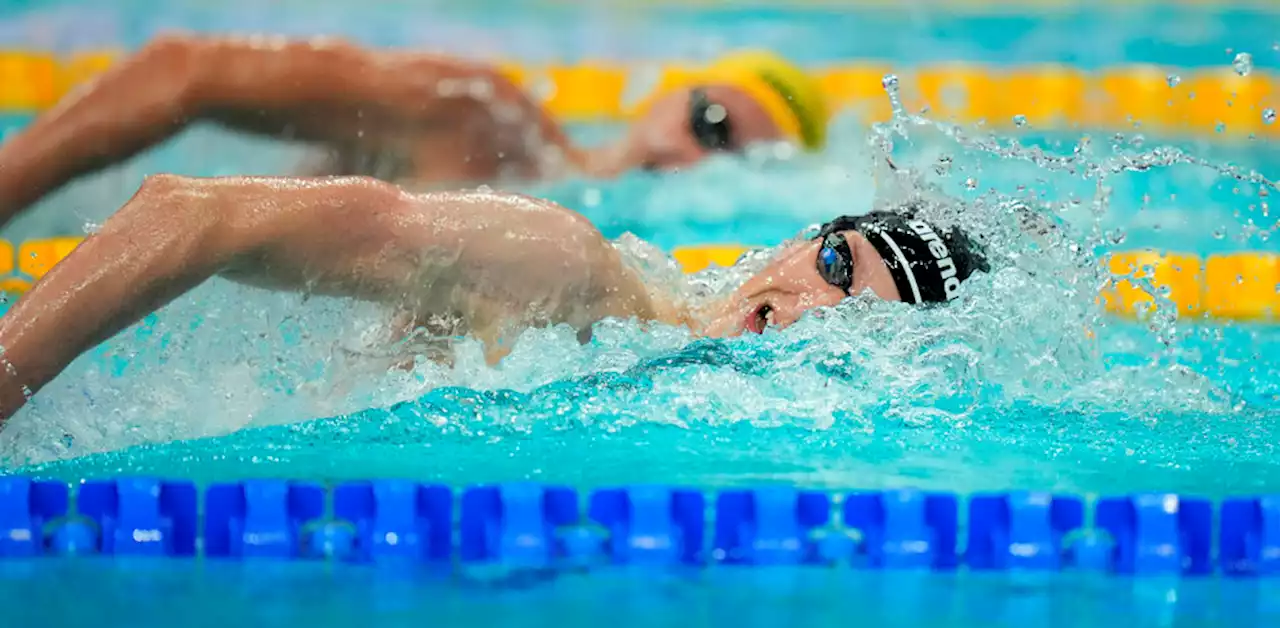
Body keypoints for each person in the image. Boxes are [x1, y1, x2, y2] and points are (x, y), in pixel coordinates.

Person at [0, 175, 988, 424]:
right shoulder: (560, 264)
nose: (812, 311)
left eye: (859, 320)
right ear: (793, 234)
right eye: (833, 263)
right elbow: (189, 212)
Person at [0, 33, 830, 228]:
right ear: (665, 94)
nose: (693, 157)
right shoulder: (478, 117)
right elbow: (181, 70)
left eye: (733, 160)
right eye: (710, 122)